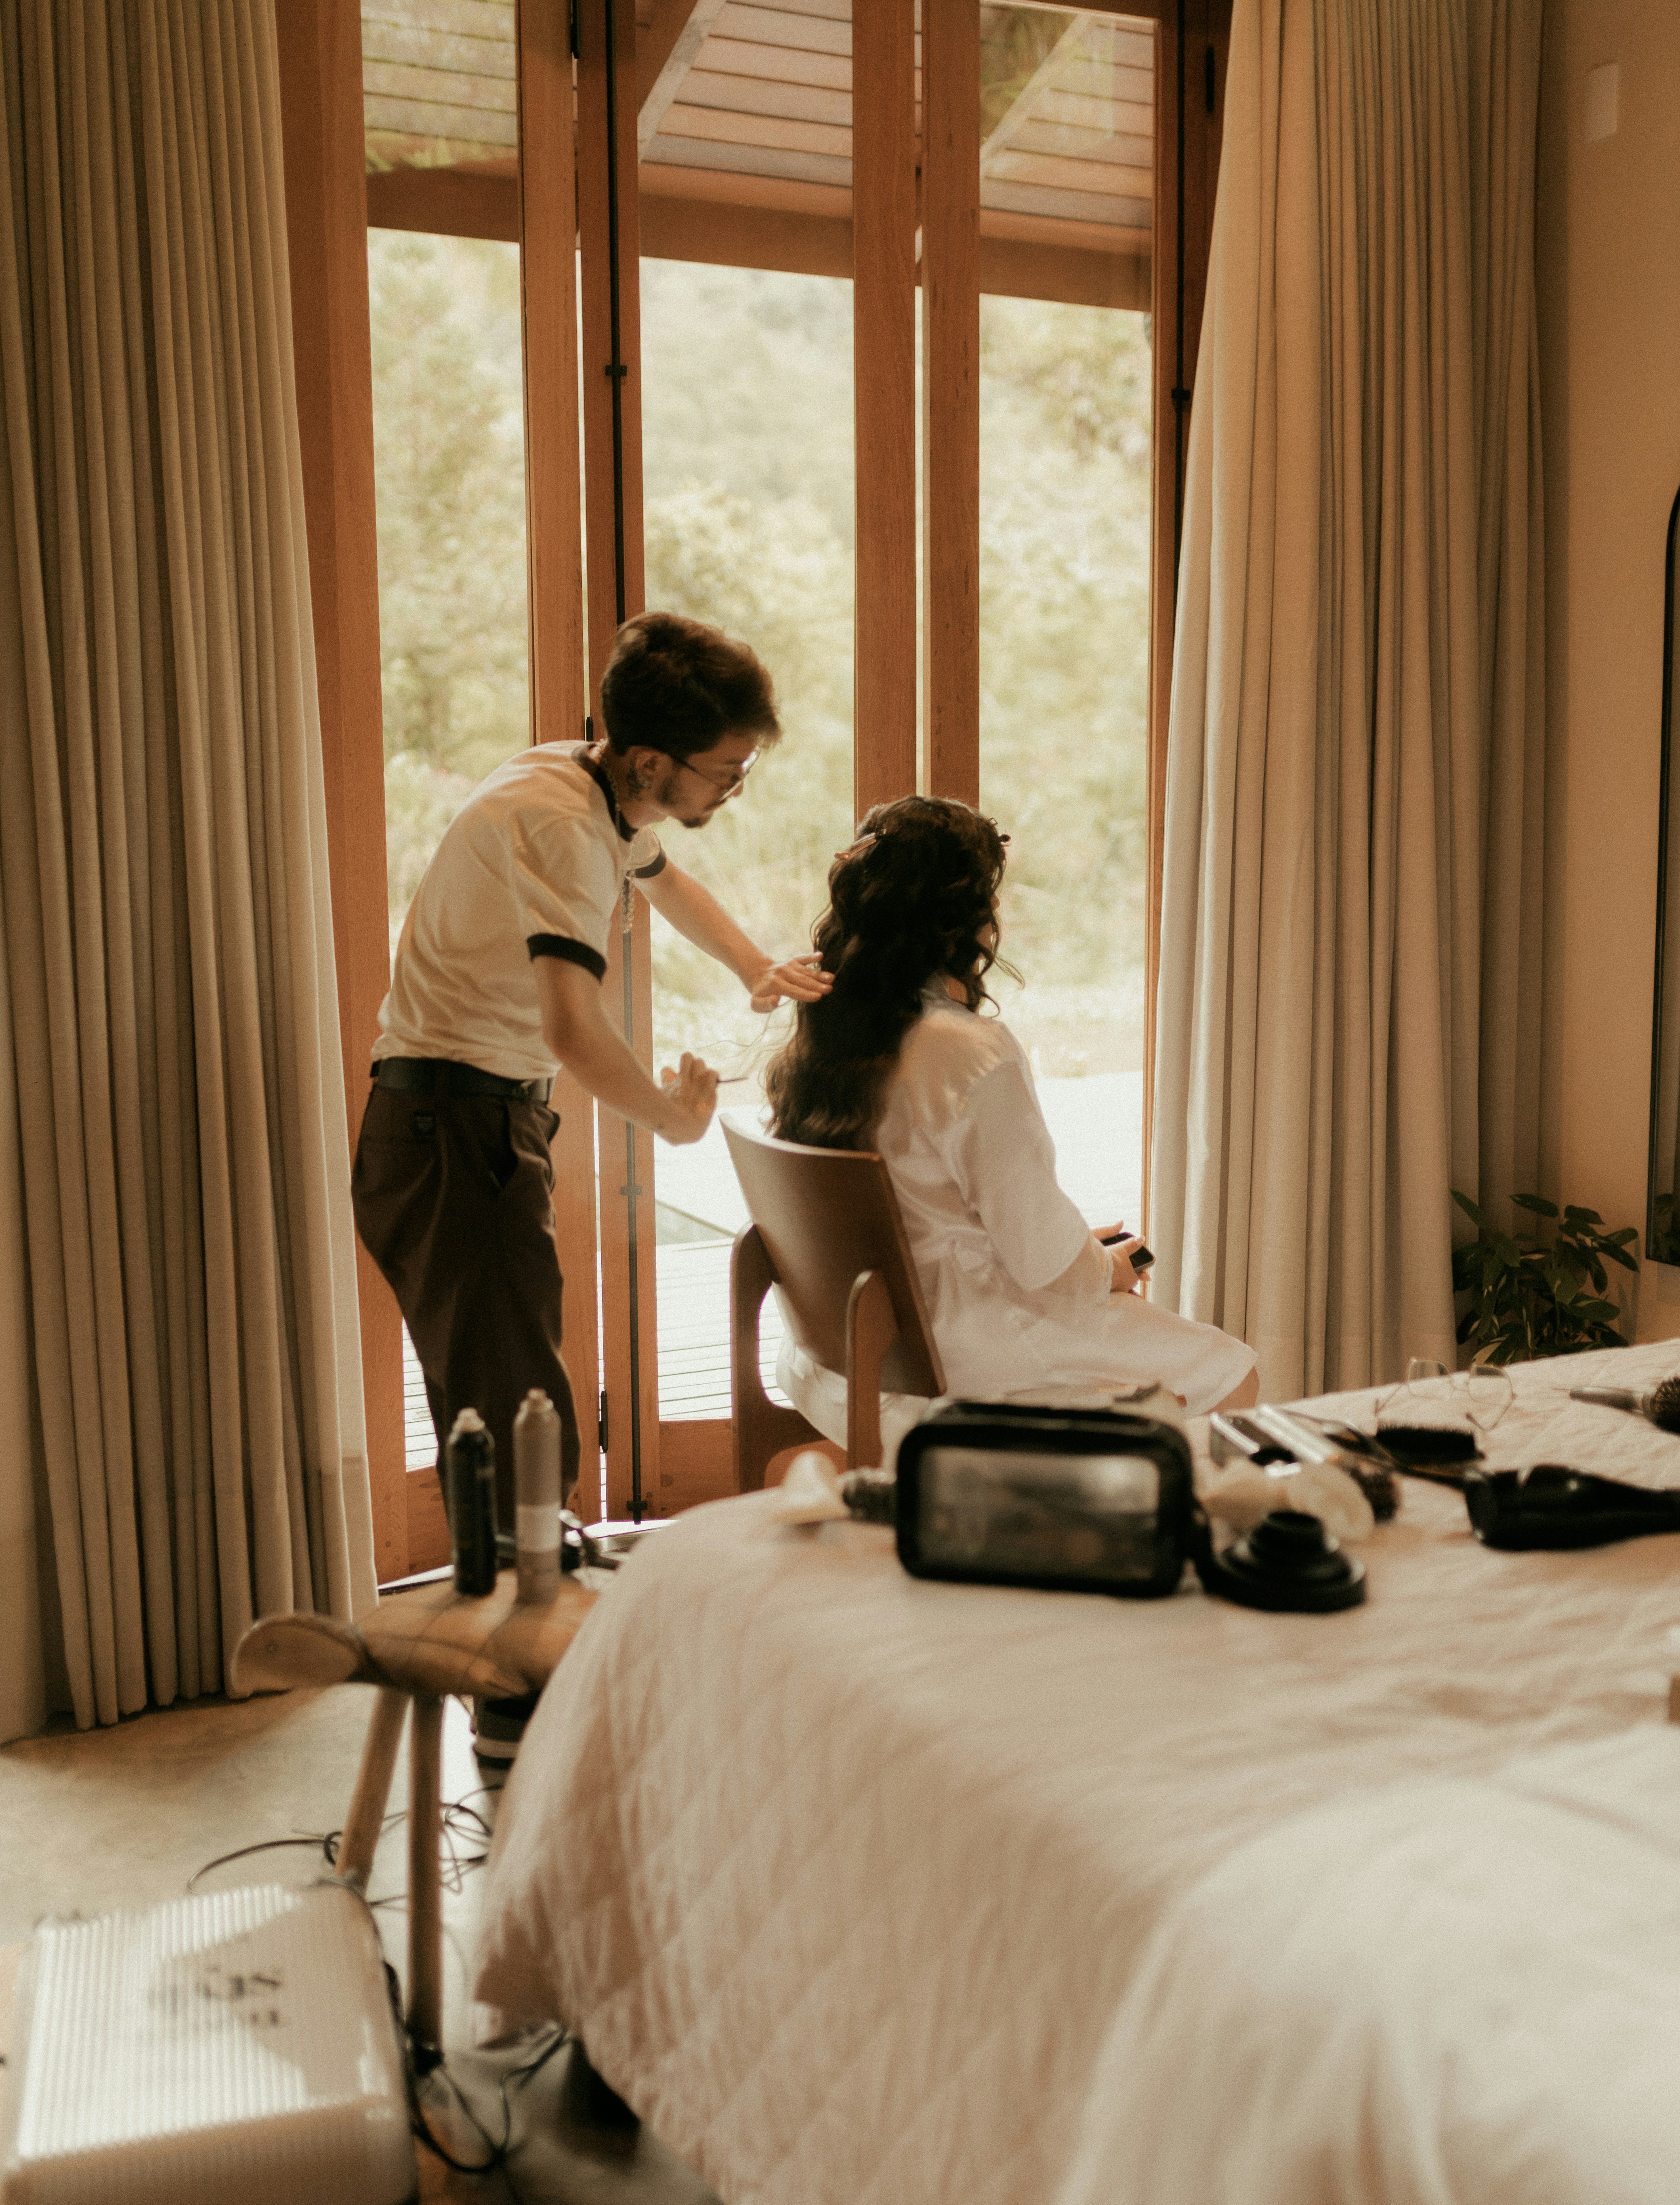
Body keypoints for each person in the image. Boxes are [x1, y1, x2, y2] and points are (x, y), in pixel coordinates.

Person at [352, 611, 829, 1528]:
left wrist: (752, 966)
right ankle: (521, 1661)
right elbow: (572, 1028)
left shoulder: (578, 776)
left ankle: (512, 1644)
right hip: (452, 1131)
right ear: (653, 762)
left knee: (502, 1414)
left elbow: (664, 881)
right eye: (726, 769)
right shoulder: (563, 829)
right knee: (520, 1429)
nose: (734, 787)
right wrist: (669, 1119)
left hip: (459, 1127)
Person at [762, 795, 1258, 1453]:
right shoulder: (966, 1051)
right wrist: (1105, 1267)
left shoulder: (828, 1031)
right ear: (968, 918)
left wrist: (1074, 1251)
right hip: (955, 1354)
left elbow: (953, 1214)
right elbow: (1038, 1258)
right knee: (1233, 1378)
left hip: (839, 1351)